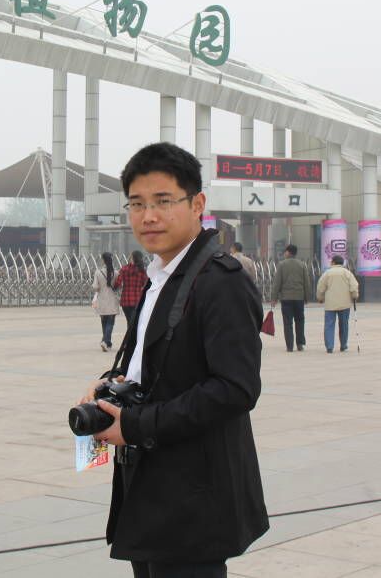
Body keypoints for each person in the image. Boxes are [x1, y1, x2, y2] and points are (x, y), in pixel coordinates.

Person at [78, 142, 267, 576]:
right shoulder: (161, 276)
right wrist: (110, 383)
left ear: (197, 204)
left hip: (194, 496)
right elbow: (154, 363)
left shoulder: (221, 281)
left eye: (163, 201)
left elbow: (236, 389)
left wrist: (136, 425)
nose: (148, 216)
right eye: (137, 204)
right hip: (152, 483)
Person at [272, 244, 312, 351]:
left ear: (288, 252)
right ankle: (300, 344)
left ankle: (289, 346)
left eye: (285, 252)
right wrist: (307, 297)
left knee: (287, 322)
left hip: (286, 298)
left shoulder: (281, 265)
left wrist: (274, 298)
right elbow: (306, 282)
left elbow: (277, 283)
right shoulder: (302, 265)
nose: (284, 253)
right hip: (299, 298)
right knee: (300, 320)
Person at [317, 255, 359, 353]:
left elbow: (320, 287)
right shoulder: (347, 273)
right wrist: (354, 296)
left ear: (333, 262)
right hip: (345, 304)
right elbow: (354, 286)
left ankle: (329, 347)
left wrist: (320, 298)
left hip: (330, 304)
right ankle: (343, 345)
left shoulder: (327, 273)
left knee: (329, 325)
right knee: (344, 324)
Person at [93, 252, 121, 352]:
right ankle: (106, 341)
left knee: (104, 323)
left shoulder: (98, 272)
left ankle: (105, 341)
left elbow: (95, 287)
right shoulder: (116, 273)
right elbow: (118, 286)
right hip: (112, 300)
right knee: (110, 323)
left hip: (102, 300)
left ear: (103, 260)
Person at [113, 251, 148, 332]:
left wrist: (114, 288)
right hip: (138, 300)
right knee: (136, 321)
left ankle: (130, 337)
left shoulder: (124, 269)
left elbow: (118, 283)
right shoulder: (142, 270)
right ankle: (134, 337)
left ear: (132, 258)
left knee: (129, 321)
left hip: (126, 300)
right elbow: (146, 284)